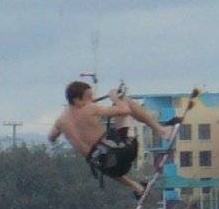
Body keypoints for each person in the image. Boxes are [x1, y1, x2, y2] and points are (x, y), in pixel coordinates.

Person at [48, 80, 177, 198]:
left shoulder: (61, 121)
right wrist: (115, 97)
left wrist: (63, 129)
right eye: (89, 97)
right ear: (76, 100)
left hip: (111, 168)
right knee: (125, 101)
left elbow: (51, 137)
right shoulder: (90, 108)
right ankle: (161, 130)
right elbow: (124, 110)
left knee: (100, 158)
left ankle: (137, 187)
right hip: (124, 152)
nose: (93, 99)